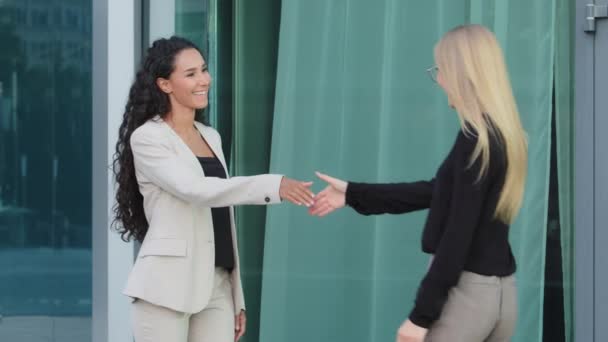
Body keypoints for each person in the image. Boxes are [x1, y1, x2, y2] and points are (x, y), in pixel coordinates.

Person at [309, 24, 527, 342]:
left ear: (462, 73)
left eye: (441, 69)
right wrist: (354, 194)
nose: (438, 80)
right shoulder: (501, 136)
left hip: (468, 296)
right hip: (502, 295)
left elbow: (456, 237)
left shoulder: (475, 141)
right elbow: (437, 191)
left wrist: (420, 318)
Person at [112, 36, 314, 342]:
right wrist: (273, 185)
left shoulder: (210, 135)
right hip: (166, 288)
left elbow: (222, 216)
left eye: (204, 70)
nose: (204, 80)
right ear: (164, 84)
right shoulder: (148, 138)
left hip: (217, 284)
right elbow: (196, 190)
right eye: (190, 74)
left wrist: (237, 296)